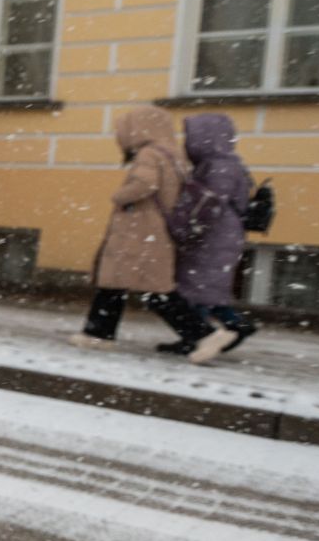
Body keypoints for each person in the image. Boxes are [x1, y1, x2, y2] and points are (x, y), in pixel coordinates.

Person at [70, 105, 236, 364]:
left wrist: (119, 196)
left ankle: (206, 334)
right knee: (123, 286)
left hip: (139, 231)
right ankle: (98, 334)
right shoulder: (173, 153)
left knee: (147, 291)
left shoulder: (149, 153)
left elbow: (144, 184)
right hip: (153, 231)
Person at [166, 113, 259, 355]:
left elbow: (208, 203)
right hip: (222, 232)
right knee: (206, 287)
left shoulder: (219, 166)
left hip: (214, 235)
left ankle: (199, 337)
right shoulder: (224, 162)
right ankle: (232, 325)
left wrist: (185, 228)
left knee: (194, 286)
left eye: (191, 136)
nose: (187, 143)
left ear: (206, 137)